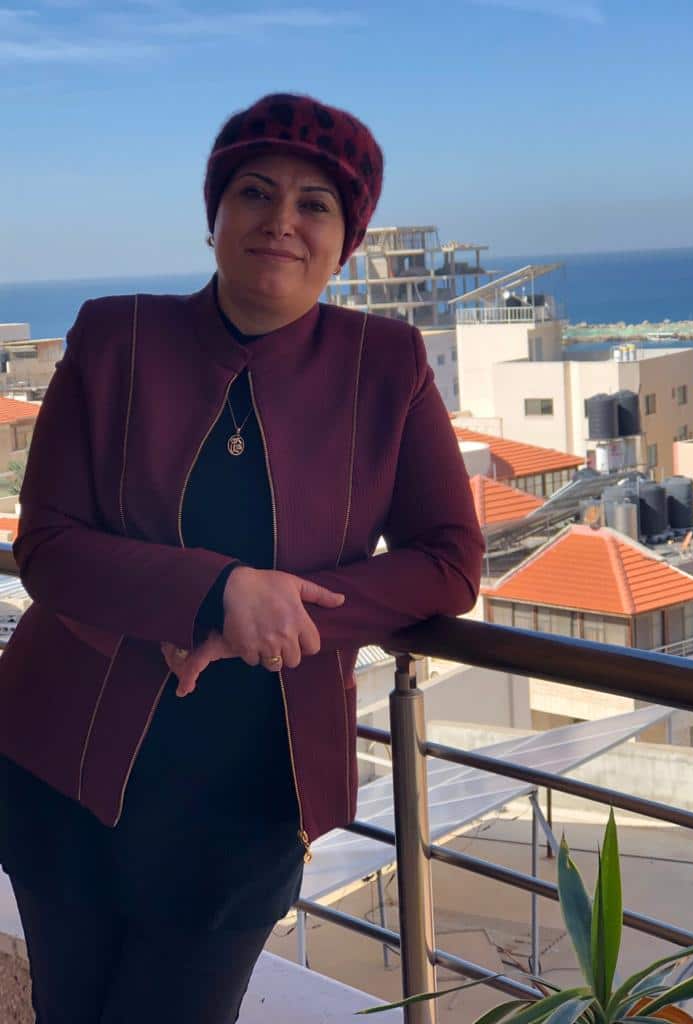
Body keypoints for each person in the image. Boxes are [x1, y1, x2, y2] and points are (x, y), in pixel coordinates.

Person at [0, 92, 484, 1022]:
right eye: (255, 191)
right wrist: (217, 592)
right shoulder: (114, 337)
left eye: (315, 204)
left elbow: (450, 560)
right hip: (65, 760)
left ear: (347, 243)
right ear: (214, 217)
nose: (281, 220)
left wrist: (278, 611)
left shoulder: (387, 362)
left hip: (252, 790)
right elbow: (49, 547)